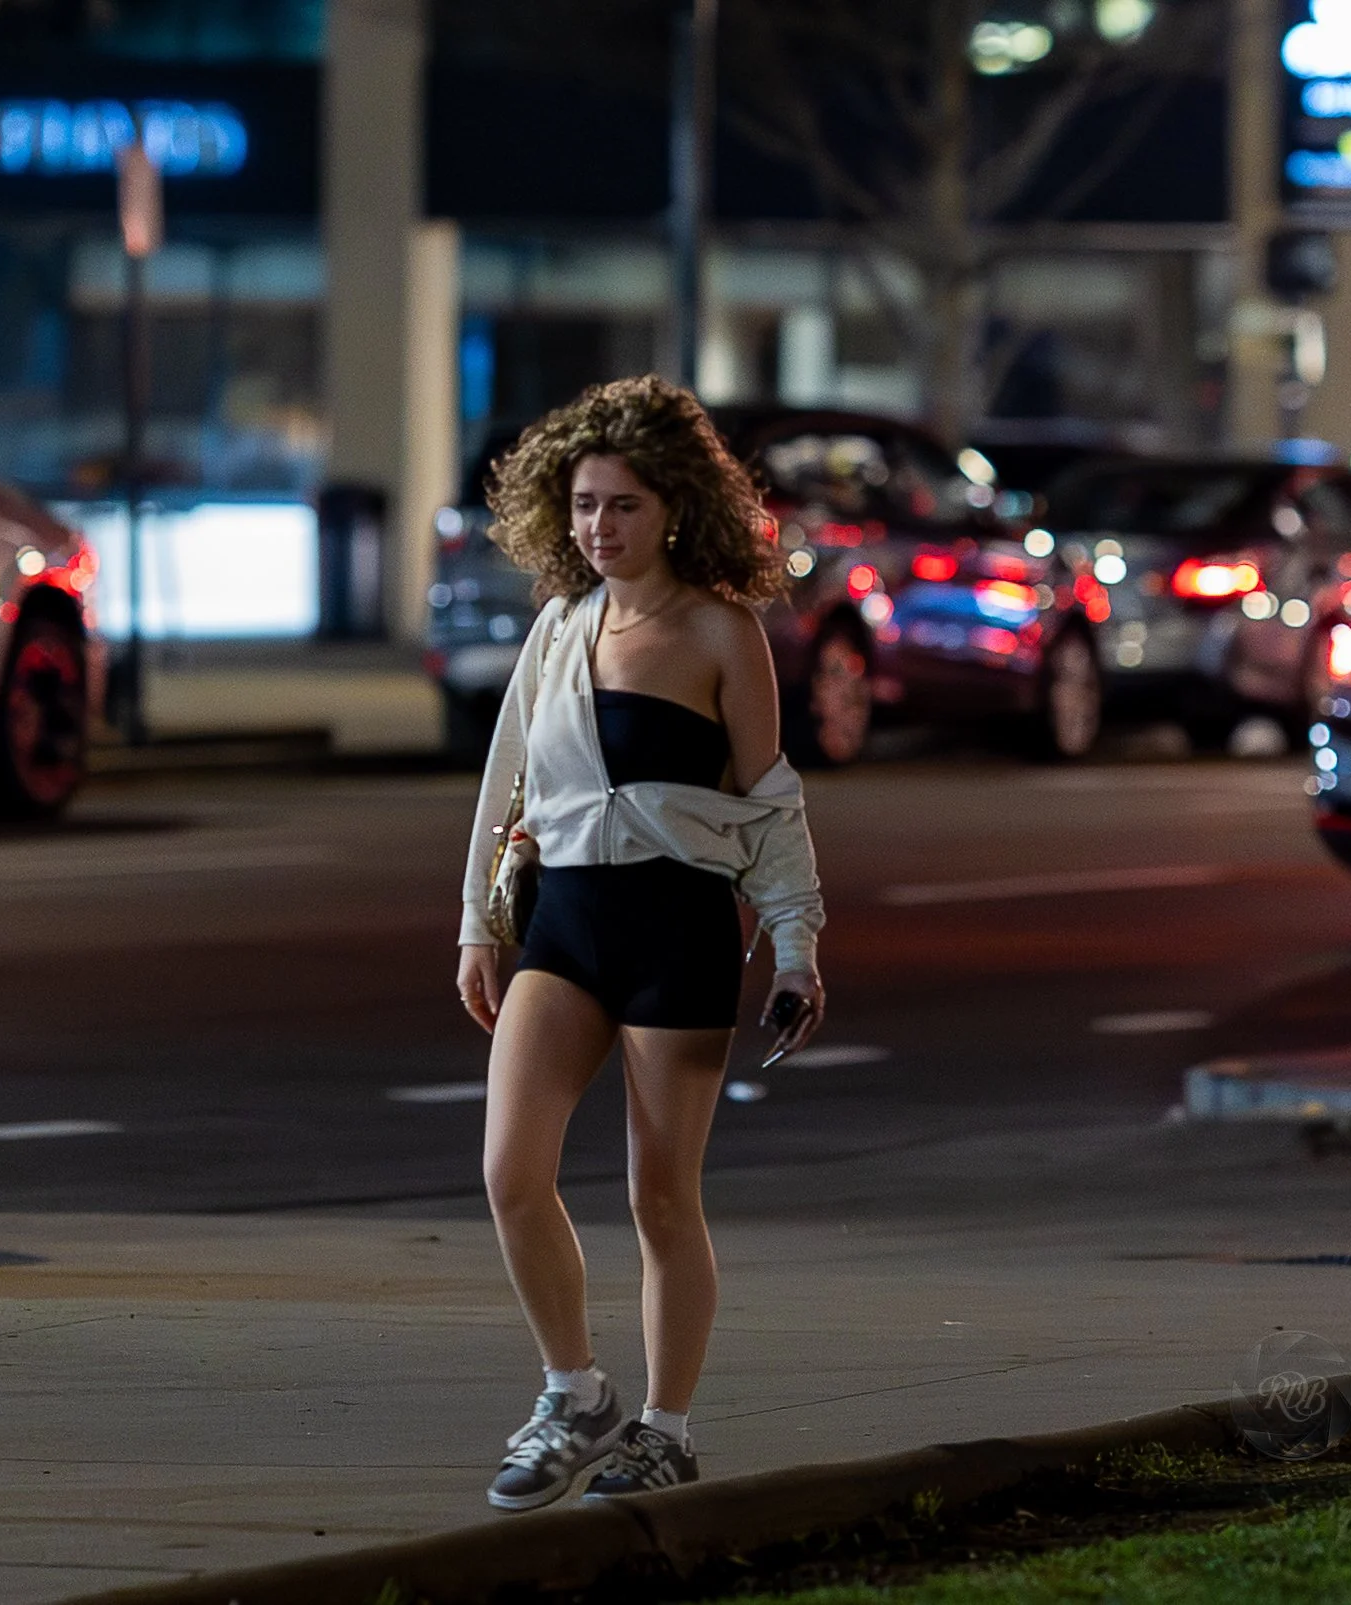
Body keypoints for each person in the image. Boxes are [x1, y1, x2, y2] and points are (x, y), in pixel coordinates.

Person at [456, 375, 827, 1510]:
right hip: (565, 921)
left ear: (672, 509)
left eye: (619, 506)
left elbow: (769, 803)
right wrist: (478, 922)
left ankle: (665, 1425)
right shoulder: (561, 628)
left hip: (677, 928)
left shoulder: (721, 630)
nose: (596, 529)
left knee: (660, 1197)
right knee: (510, 1172)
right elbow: (502, 781)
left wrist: (798, 946)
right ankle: (573, 1393)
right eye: (579, 506)